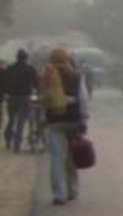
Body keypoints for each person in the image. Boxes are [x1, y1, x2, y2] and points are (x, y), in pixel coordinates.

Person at [39, 48, 89, 206]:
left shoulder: (47, 75)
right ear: (66, 59)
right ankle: (72, 190)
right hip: (73, 120)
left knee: (56, 158)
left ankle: (59, 194)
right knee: (71, 157)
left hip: (54, 122)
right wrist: (84, 119)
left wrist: (43, 119)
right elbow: (83, 98)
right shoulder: (77, 76)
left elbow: (43, 99)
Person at [2, 49, 39, 151]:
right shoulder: (30, 69)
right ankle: (17, 144)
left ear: (17, 57)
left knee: (11, 120)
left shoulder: (9, 69)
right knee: (21, 121)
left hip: (12, 97)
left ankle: (8, 140)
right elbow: (36, 83)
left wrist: (7, 92)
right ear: (26, 58)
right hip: (25, 97)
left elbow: (4, 83)